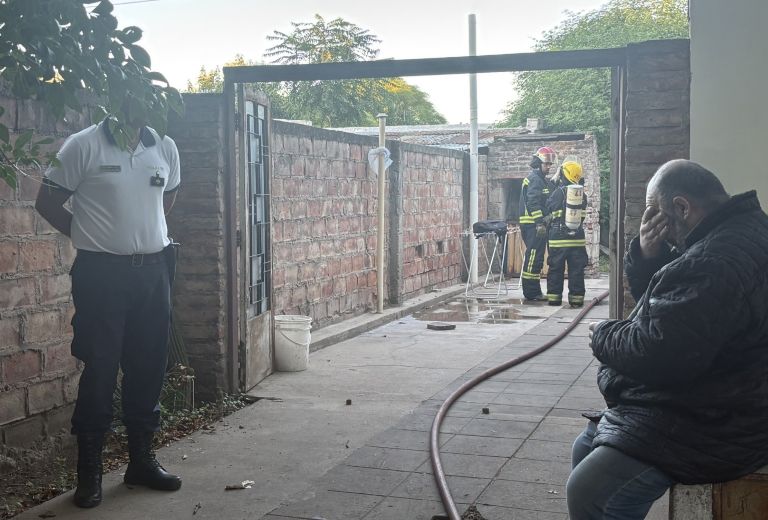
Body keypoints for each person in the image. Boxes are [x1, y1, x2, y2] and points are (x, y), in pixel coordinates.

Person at [567, 159, 768, 519]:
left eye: (656, 213)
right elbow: (681, 311)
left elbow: (659, 352)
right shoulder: (742, 231)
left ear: (681, 207)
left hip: (721, 420)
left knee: (590, 491)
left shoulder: (715, 260)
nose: (654, 223)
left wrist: (604, 335)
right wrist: (648, 255)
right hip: (724, 394)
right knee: (586, 444)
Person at [35, 114, 183, 508]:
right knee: (101, 367)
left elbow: (167, 197)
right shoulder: (83, 145)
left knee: (149, 365)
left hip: (154, 272)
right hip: (101, 275)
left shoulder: (163, 146)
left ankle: (141, 461)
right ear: (115, 98)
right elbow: (45, 201)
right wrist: (88, 233)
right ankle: (90, 473)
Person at [545, 160, 589, 307]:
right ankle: (576, 300)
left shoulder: (558, 192)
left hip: (558, 239)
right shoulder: (582, 195)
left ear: (564, 173)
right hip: (577, 239)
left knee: (556, 270)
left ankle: (554, 299)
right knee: (576, 271)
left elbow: (549, 208)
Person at [518, 146, 556, 301]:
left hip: (537, 225)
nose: (548, 167)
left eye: (550, 165)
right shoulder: (535, 179)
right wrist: (540, 223)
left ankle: (535, 292)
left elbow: (545, 197)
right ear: (538, 163)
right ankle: (531, 293)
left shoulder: (541, 180)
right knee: (533, 256)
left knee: (537, 257)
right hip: (533, 225)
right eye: (546, 164)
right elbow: (533, 202)